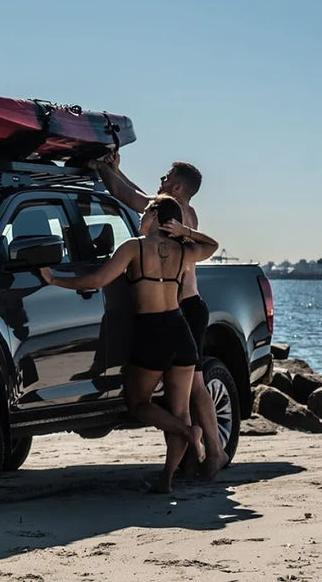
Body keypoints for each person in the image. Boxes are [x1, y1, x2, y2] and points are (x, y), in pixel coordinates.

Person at [40, 194, 219, 492]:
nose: (141, 216)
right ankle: (166, 480)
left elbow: (96, 280)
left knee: (137, 403)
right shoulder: (182, 251)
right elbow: (211, 246)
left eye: (147, 211)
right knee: (180, 409)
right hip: (180, 330)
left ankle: (190, 433)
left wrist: (55, 279)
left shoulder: (133, 247)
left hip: (152, 332)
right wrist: (185, 232)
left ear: (157, 216)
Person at [92, 153, 229, 479]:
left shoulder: (175, 214)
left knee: (194, 386)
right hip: (181, 309)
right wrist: (118, 171)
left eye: (166, 179)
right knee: (182, 392)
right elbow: (141, 196)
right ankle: (195, 457)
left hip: (185, 308)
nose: (161, 181)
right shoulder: (183, 211)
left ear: (178, 187)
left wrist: (102, 168)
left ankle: (215, 452)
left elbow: (131, 197)